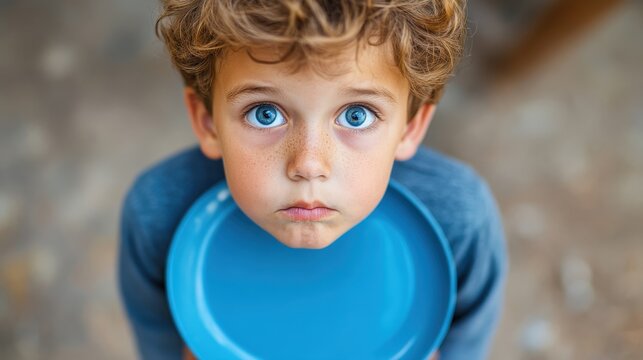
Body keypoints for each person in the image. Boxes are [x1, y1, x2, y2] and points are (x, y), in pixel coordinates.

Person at [118, 1, 508, 359]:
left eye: (356, 115)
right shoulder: (158, 211)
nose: (309, 164)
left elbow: (469, 336)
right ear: (208, 122)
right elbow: (155, 335)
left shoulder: (459, 215)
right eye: (265, 113)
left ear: (410, 126)